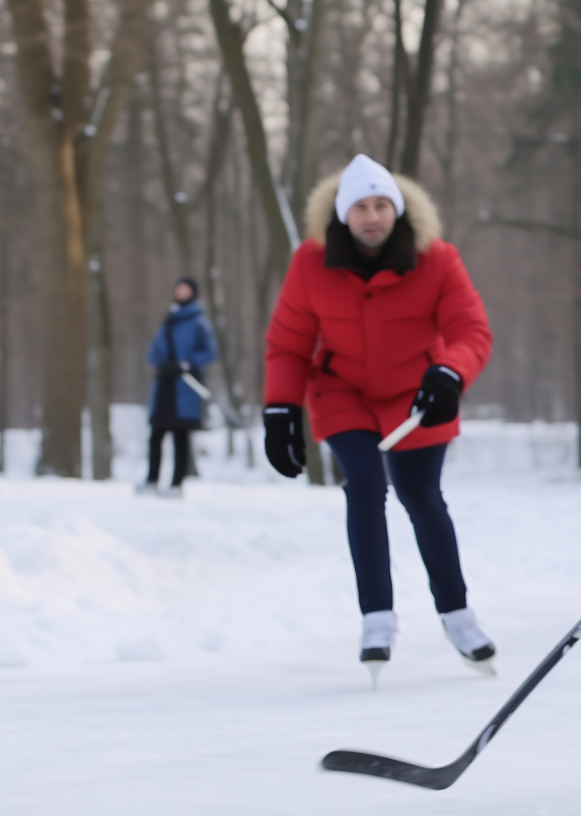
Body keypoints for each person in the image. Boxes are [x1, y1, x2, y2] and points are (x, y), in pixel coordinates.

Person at [262, 154, 497, 677]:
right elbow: (287, 345)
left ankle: (456, 613)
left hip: (418, 394)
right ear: (342, 213)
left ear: (399, 209)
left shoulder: (436, 258)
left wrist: (450, 373)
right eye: (361, 207)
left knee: (420, 495)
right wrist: (280, 411)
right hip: (343, 390)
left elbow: (471, 330)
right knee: (365, 484)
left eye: (382, 205)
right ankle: (377, 618)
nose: (372, 216)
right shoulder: (310, 262)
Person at [139, 278, 218, 498]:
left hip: (185, 385)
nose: (181, 292)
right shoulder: (168, 320)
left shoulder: (199, 322)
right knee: (156, 433)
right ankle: (151, 480)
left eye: (185, 289)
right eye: (178, 289)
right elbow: (154, 351)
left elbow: (210, 352)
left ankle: (176, 485)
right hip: (165, 384)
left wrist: (186, 364)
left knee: (180, 436)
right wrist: (162, 364)